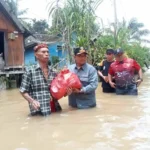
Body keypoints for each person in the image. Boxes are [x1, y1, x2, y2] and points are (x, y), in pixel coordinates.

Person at [20, 43, 62, 116]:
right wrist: (32, 101)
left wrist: (66, 92)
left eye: (47, 52)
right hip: (39, 111)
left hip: (55, 110)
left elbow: (58, 91)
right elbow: (23, 91)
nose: (46, 54)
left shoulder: (54, 71)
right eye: (43, 52)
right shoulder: (30, 71)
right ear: (36, 55)